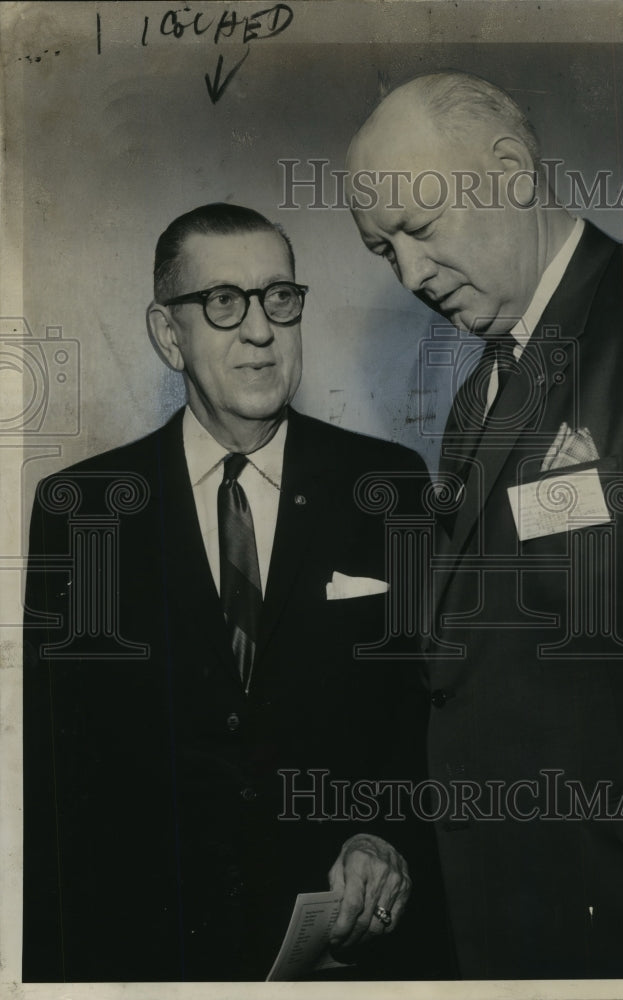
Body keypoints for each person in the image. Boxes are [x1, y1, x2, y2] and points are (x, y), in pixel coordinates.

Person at [346, 71, 623, 979]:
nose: (410, 275)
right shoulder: (475, 398)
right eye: (384, 252)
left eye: (419, 229)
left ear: (510, 169)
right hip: (507, 905)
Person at [22, 203, 440, 982]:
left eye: (279, 297)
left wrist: (385, 837)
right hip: (149, 955)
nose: (259, 329)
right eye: (223, 302)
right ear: (166, 333)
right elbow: (49, 775)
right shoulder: (81, 509)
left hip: (345, 959)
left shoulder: (388, 486)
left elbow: (423, 719)